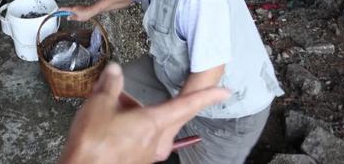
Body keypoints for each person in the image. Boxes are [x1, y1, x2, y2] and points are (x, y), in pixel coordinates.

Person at [63, 0, 284, 164]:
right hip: (173, 71)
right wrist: (91, 10)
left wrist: (168, 127)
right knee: (115, 88)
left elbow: (209, 74)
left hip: (225, 112)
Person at [60, 63, 231, 164]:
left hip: (227, 115)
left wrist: (168, 132)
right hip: (168, 67)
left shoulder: (202, 2)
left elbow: (212, 69)